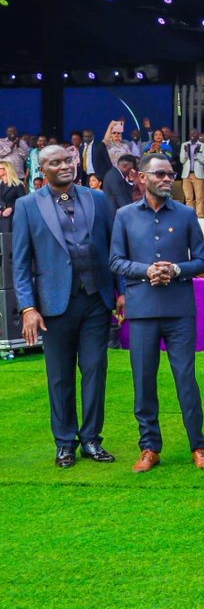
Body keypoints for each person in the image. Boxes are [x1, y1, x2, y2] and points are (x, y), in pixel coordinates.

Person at [12, 145, 120, 468]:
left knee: (95, 370)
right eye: (55, 162)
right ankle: (64, 442)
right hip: (53, 306)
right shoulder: (27, 206)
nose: (65, 166)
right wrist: (28, 307)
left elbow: (114, 248)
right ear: (41, 170)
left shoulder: (97, 199)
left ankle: (90, 439)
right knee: (59, 376)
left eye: (68, 160)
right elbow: (20, 264)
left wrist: (121, 291)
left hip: (95, 301)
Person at [110, 153, 204, 472]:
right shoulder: (124, 216)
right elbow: (115, 261)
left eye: (171, 174)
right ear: (142, 178)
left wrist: (176, 269)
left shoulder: (184, 215)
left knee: (185, 379)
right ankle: (149, 447)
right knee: (143, 381)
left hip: (179, 309)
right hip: (141, 311)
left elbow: (201, 261)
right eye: (161, 174)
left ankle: (198, 445)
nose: (168, 179)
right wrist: (146, 270)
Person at [178, 129, 204, 218]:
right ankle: (189, 216)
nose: (193, 135)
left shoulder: (203, 146)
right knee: (188, 197)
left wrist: (196, 155)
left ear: (198, 135)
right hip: (186, 174)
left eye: (195, 134)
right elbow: (182, 160)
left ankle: (200, 215)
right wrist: (186, 153)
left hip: (198, 174)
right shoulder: (184, 145)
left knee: (199, 197)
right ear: (189, 135)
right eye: (191, 133)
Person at [0, 161, 24, 232]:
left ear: (5, 170)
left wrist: (12, 209)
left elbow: (22, 201)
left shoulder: (17, 184)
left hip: (12, 218)